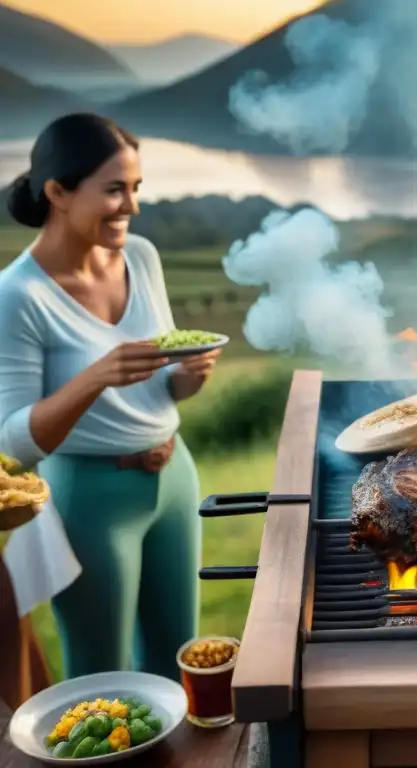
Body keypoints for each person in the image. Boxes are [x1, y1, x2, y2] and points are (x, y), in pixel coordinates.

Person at [0, 113, 221, 681]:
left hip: (174, 478)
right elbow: (12, 443)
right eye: (115, 190)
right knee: (103, 681)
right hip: (89, 500)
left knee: (180, 665)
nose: (132, 206)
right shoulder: (18, 295)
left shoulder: (141, 257)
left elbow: (163, 384)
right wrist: (96, 376)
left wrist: (188, 377)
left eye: (136, 188)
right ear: (58, 192)